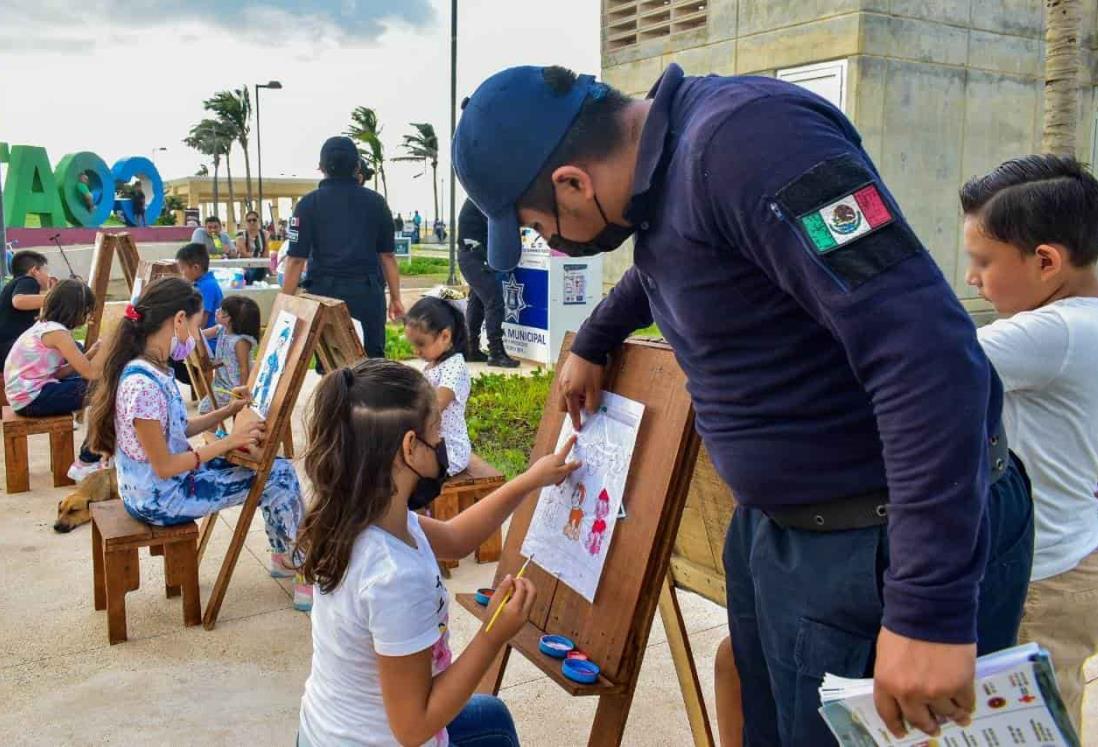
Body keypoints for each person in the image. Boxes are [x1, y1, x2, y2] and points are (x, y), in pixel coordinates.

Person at [453, 64, 1034, 744]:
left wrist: (927, 610)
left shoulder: (755, 143)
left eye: (537, 225)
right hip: (790, 535)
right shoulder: (665, 177)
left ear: (573, 183)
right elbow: (674, 260)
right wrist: (597, 337)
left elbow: (928, 355)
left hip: (880, 542)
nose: (550, 243)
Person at [295, 358, 579, 746]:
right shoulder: (394, 576)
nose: (443, 443)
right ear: (410, 447)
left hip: (325, 730)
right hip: (374, 738)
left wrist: (530, 481)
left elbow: (455, 537)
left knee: (492, 716)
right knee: (490, 724)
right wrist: (495, 632)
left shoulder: (366, 515)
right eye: (437, 431)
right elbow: (413, 729)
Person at [961, 154, 1098, 735]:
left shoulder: (1050, 331)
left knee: (1026, 725)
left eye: (983, 262)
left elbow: (919, 365)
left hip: (1039, 574)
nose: (971, 279)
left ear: (1046, 261)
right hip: (1077, 548)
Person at [86, 277, 311, 611]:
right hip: (161, 498)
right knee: (277, 476)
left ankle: (283, 556)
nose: (196, 335)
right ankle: (301, 569)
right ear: (178, 320)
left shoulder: (149, 368)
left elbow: (179, 428)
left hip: (151, 489)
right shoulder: (142, 385)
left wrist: (229, 410)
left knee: (273, 468)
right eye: (196, 324)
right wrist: (229, 442)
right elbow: (166, 466)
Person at [282, 136, 403, 358]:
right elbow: (387, 256)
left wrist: (285, 303)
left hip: (324, 297)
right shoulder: (376, 202)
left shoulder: (307, 205)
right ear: (357, 167)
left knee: (331, 364)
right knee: (371, 362)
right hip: (366, 294)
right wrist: (395, 298)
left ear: (321, 167)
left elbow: (296, 260)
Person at [3, 279, 104, 478]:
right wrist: (113, 359)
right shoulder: (57, 333)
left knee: (99, 387)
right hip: (32, 399)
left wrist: (90, 354)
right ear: (77, 310)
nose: (86, 318)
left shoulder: (44, 327)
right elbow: (90, 373)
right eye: (86, 312)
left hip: (26, 396)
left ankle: (91, 456)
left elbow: (58, 373)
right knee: (106, 392)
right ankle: (87, 460)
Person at [404, 296, 472, 475]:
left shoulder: (455, 367)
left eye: (421, 344)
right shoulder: (433, 364)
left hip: (449, 451)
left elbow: (435, 405)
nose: (416, 351)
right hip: (431, 445)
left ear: (445, 336)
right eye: (413, 345)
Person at [457, 199, 519, 368]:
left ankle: (471, 348)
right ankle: (496, 352)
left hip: (470, 256)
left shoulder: (478, 196)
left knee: (478, 300)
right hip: (474, 256)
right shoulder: (483, 199)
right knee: (494, 301)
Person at [199, 295, 260, 414]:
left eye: (222, 311)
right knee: (206, 408)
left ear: (231, 319)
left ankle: (214, 433)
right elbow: (200, 334)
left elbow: (244, 369)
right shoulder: (221, 329)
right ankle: (216, 432)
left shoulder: (240, 342)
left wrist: (241, 394)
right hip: (221, 384)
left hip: (233, 388)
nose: (217, 311)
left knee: (205, 410)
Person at [0, 250, 54, 366]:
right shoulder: (28, 281)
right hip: (9, 349)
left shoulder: (14, 284)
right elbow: (19, 301)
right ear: (35, 271)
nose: (48, 275)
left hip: (6, 348)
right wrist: (56, 297)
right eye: (46, 271)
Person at [176, 242, 222, 330]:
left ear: (196, 268)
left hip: (208, 340)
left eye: (182, 269)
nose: (181, 273)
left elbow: (200, 324)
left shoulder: (207, 287)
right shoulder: (200, 283)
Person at [235, 209, 269, 284]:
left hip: (260, 264)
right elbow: (243, 253)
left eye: (254, 220)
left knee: (260, 269)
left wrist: (260, 260)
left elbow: (266, 253)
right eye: (249, 220)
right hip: (245, 264)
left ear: (258, 221)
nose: (252, 222)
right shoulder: (240, 235)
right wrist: (258, 257)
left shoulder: (265, 234)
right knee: (251, 273)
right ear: (246, 222)